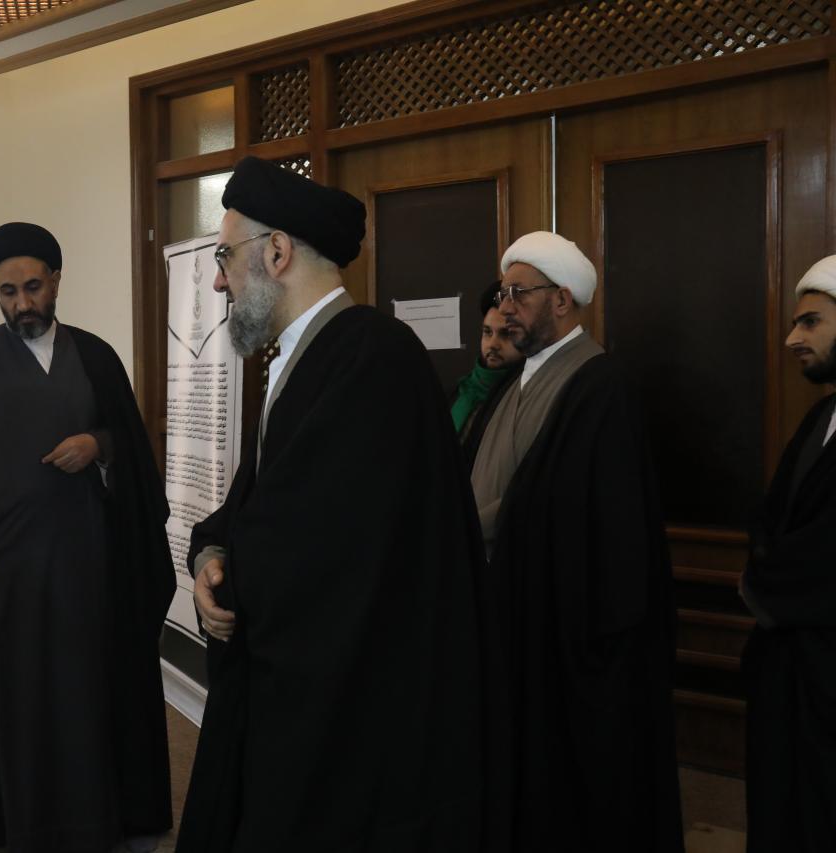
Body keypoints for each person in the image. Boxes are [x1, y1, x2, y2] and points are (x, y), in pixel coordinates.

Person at [177, 156, 485, 852]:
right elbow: (257, 500)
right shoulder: (306, 354)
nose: (219, 280)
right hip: (309, 683)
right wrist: (212, 552)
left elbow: (323, 545)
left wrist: (236, 572)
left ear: (277, 252)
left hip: (351, 699)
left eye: (225, 256)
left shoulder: (372, 358)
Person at [0, 222, 174, 853]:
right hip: (5, 578)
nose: (22, 304)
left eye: (33, 287)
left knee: (90, 695)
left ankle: (97, 822)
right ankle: (24, 827)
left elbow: (131, 447)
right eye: (7, 292)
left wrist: (99, 444)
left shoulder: (95, 356)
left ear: (57, 281)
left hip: (89, 568)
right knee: (19, 702)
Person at [469, 231, 683, 852]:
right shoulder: (517, 378)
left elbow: (582, 518)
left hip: (567, 635)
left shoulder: (599, 384)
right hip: (513, 618)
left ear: (562, 300)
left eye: (519, 293)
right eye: (503, 293)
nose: (506, 306)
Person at [741, 255, 836, 852]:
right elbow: (771, 518)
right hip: (792, 668)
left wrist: (765, 577)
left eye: (810, 322)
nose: (792, 339)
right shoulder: (823, 414)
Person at [451, 280, 521, 452]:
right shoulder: (461, 392)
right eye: (487, 332)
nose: (493, 344)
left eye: (506, 334)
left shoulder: (526, 397)